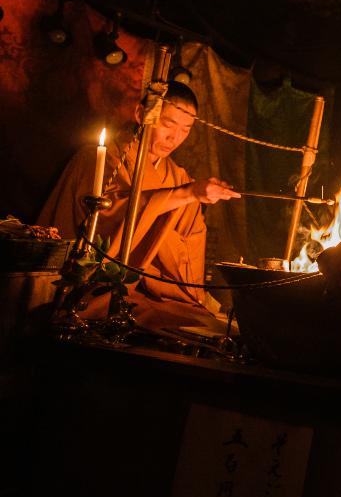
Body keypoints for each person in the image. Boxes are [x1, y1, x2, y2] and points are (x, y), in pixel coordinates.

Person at [39, 82, 240, 331]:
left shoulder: (179, 177)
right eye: (167, 124)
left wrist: (184, 196)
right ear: (140, 114)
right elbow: (108, 219)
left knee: (211, 328)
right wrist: (186, 194)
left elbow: (190, 251)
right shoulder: (97, 158)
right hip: (100, 290)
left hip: (162, 296)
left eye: (186, 129)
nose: (174, 138)